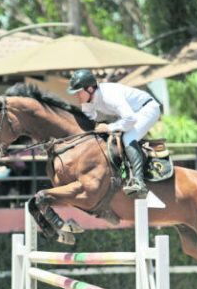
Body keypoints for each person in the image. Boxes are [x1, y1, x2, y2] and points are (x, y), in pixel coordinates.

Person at [67, 69, 161, 198]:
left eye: (78, 92)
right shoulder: (88, 100)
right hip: (131, 113)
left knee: (128, 136)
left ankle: (139, 182)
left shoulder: (109, 96)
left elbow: (130, 119)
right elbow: (88, 120)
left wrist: (109, 127)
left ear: (89, 89)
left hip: (147, 109)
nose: (75, 95)